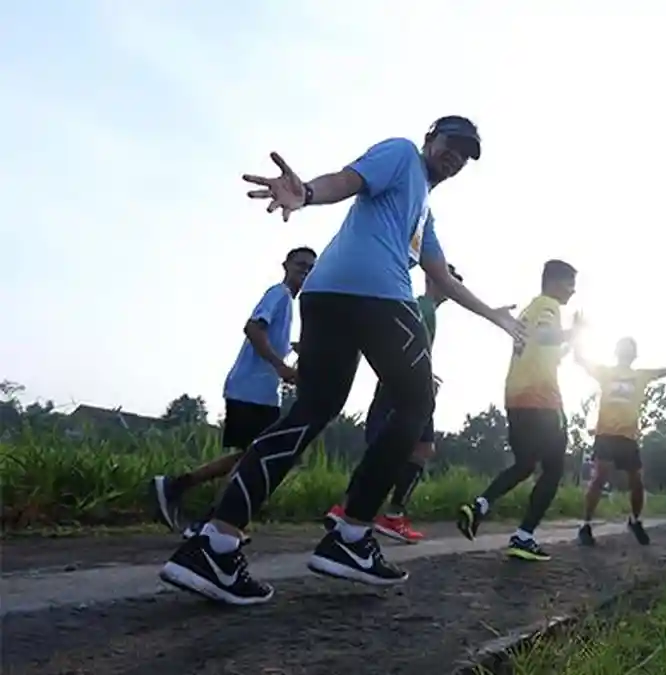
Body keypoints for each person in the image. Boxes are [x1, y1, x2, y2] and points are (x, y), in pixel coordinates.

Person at [158, 115, 524, 606]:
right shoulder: (400, 156)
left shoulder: (421, 215)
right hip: (377, 297)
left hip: (326, 297)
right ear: (429, 139)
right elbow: (348, 180)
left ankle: (215, 544)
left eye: (465, 154)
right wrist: (306, 193)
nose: (454, 157)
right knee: (416, 404)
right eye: (450, 144)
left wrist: (494, 316)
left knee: (310, 412)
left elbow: (442, 276)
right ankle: (351, 535)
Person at [148, 246, 314, 535]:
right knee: (255, 457)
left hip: (260, 392)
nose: (305, 271)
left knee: (249, 455)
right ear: (286, 264)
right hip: (251, 389)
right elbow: (253, 328)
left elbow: (271, 338)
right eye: (301, 264)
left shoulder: (288, 304)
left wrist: (295, 352)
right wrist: (280, 366)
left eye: (311, 268)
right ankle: (211, 520)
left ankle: (178, 487)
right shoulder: (279, 294)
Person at [324, 264, 463, 543]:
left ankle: (348, 507)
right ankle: (388, 515)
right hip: (404, 386)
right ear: (433, 279)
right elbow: (404, 347)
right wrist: (419, 377)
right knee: (409, 447)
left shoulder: (425, 308)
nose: (455, 284)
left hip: (400, 383)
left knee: (406, 448)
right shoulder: (423, 307)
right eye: (451, 278)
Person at [456, 260, 580, 562]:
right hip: (542, 399)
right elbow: (544, 335)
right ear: (554, 282)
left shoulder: (531, 308)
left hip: (516, 395)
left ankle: (480, 506)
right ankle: (523, 537)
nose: (573, 292)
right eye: (570, 284)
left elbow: (542, 347)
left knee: (525, 464)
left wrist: (567, 346)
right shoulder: (549, 306)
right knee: (553, 469)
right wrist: (572, 332)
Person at [575, 336, 666, 547]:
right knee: (599, 477)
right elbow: (581, 360)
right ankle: (586, 525)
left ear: (634, 354)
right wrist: (577, 334)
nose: (626, 351)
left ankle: (635, 520)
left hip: (628, 437)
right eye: (623, 347)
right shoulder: (605, 372)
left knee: (637, 482)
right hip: (605, 434)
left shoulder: (641, 375)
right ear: (617, 351)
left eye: (630, 348)